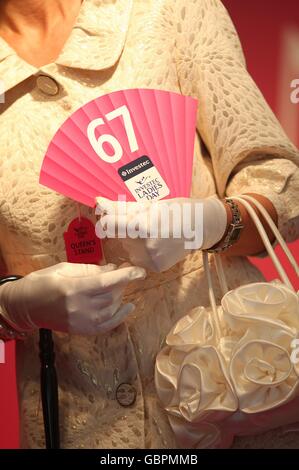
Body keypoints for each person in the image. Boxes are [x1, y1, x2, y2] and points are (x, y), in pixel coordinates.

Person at [0, 0, 298, 449]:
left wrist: (209, 222)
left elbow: (282, 185)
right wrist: (13, 305)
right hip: (77, 422)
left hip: (237, 393)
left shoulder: (166, 8)